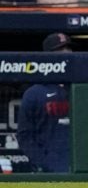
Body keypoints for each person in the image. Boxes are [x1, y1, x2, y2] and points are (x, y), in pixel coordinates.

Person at [17, 33, 72, 173]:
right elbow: (25, 136)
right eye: (61, 49)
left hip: (83, 167)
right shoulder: (34, 93)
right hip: (48, 171)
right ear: (48, 55)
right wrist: (44, 162)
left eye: (68, 47)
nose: (67, 52)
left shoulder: (87, 87)